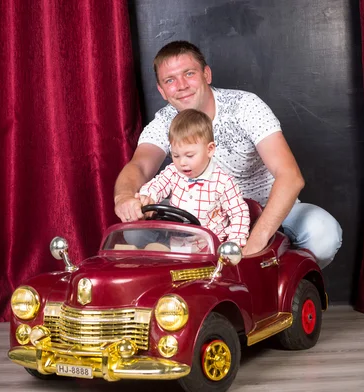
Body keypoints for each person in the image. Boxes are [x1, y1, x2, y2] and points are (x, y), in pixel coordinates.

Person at [114, 40, 342, 267]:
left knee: (323, 233)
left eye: (189, 73)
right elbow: (140, 166)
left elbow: (290, 176)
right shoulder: (164, 121)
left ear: (207, 74)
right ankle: (187, 288)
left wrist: (255, 242)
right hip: (201, 218)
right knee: (136, 230)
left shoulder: (245, 105)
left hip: (265, 209)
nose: (181, 85)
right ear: (162, 91)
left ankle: (277, 283)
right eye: (170, 80)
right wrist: (123, 197)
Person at [138, 109, 250, 246]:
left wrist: (234, 244)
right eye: (176, 155)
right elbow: (157, 185)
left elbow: (239, 213)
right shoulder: (174, 172)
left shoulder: (223, 182)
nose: (182, 162)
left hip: (210, 247)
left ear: (210, 150)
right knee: (145, 244)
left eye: (189, 156)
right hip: (178, 243)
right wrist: (147, 197)